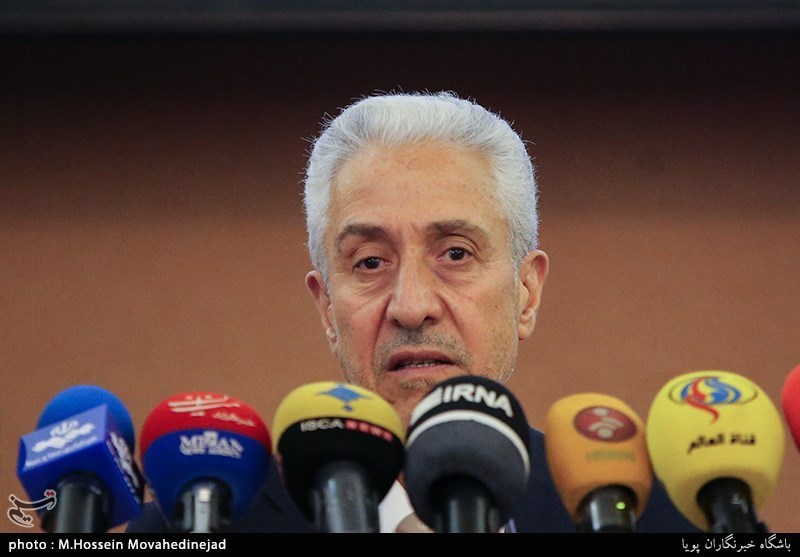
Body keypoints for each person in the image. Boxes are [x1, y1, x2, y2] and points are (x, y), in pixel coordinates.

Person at [127, 90, 699, 534]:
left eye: (456, 254)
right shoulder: (203, 526)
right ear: (327, 308)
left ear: (526, 294)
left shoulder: (645, 517)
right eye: (371, 262)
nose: (411, 307)